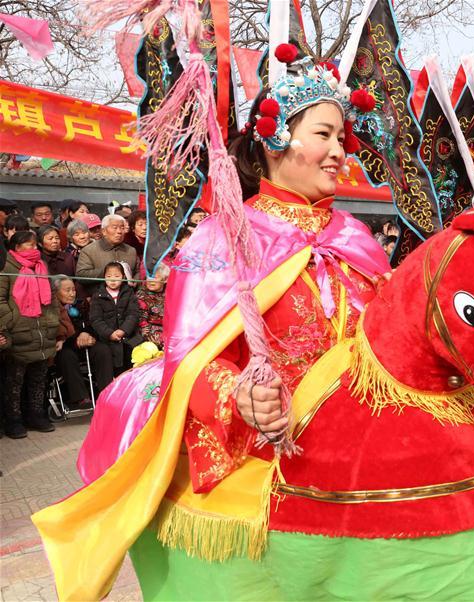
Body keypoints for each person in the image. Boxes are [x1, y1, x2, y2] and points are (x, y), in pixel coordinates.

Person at [35, 48, 394, 601]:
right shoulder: (224, 237)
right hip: (267, 461)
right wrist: (242, 396)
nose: (338, 152)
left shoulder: (355, 237)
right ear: (276, 139)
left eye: (342, 138)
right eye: (323, 135)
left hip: (369, 460)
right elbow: (189, 359)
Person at [0, 230, 60, 437]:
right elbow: (0, 300)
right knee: (15, 381)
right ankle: (14, 419)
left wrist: (52, 321)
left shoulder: (41, 266)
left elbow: (52, 298)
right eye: (29, 245)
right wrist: (12, 321)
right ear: (17, 247)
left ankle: (36, 415)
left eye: (35, 245)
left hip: (43, 330)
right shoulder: (7, 268)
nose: (34, 248)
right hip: (19, 332)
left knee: (38, 378)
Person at [53, 276, 113, 406]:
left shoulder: (82, 304)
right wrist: (77, 338)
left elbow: (94, 322)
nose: (72, 293)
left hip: (86, 342)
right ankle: (81, 397)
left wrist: (88, 335)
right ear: (56, 292)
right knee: (66, 356)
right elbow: (59, 332)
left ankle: (107, 394)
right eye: (67, 290)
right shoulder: (52, 308)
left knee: (102, 350)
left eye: (73, 290)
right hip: (66, 345)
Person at [89, 262, 142, 374]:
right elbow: (96, 319)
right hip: (106, 339)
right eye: (109, 276)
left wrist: (123, 330)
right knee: (112, 365)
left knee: (133, 363)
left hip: (128, 337)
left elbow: (133, 314)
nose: (112, 280)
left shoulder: (129, 293)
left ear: (123, 277)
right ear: (104, 277)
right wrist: (109, 334)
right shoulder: (98, 295)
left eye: (117, 276)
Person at [76, 214, 138, 295]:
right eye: (115, 228)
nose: (119, 231)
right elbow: (81, 276)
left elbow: (137, 271)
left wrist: (136, 280)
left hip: (127, 297)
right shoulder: (88, 251)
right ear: (104, 231)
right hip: (99, 297)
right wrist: (109, 272)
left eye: (122, 228)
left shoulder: (131, 250)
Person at [136, 264, 168, 348]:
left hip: (169, 329)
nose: (151, 281)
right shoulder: (142, 294)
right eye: (149, 277)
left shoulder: (170, 292)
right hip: (150, 331)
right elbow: (142, 321)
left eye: (155, 277)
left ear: (165, 279)